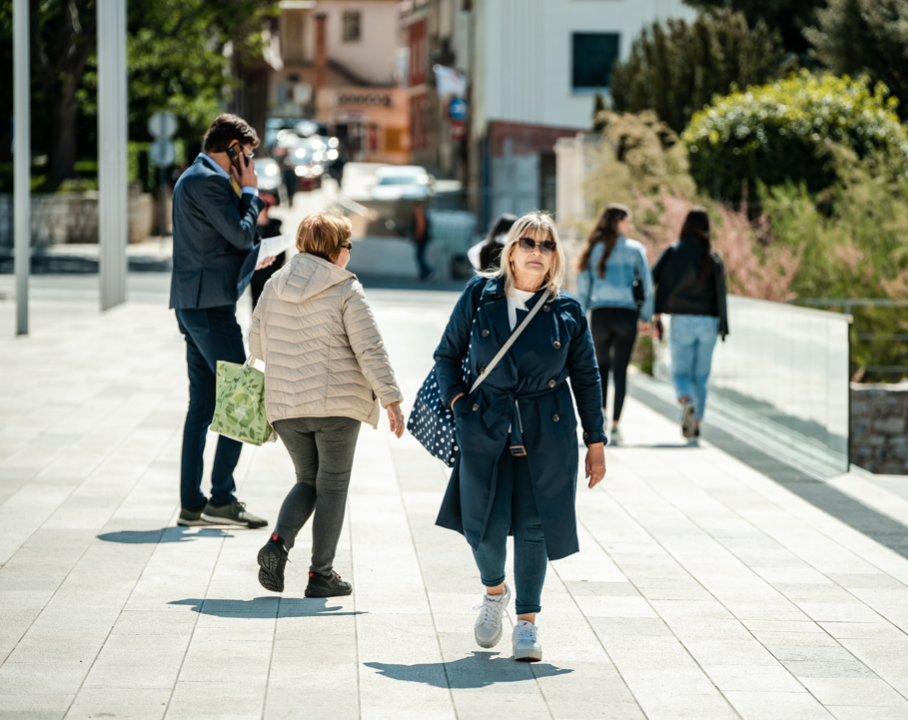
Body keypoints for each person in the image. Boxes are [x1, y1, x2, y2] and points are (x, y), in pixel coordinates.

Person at [433, 212, 607, 661]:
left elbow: (586, 378)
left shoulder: (566, 310)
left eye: (547, 246)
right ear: (510, 251)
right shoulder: (480, 294)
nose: (536, 252)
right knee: (484, 530)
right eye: (528, 243)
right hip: (485, 426)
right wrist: (458, 405)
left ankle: (527, 624)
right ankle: (495, 593)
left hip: (546, 433)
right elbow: (447, 355)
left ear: (555, 258)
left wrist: (596, 442)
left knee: (534, 530)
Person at [250, 211, 405, 598]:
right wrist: (392, 399)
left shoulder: (274, 284)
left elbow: (256, 344)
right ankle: (321, 575)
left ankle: (279, 542)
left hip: (286, 405)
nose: (350, 253)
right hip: (337, 405)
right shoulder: (345, 288)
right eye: (348, 246)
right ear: (336, 251)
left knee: (308, 480)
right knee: (332, 486)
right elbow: (369, 348)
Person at [169, 113, 276, 529]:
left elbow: (226, 243)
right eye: (245, 154)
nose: (248, 164)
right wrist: (251, 192)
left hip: (201, 304)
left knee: (203, 404)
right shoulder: (208, 181)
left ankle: (192, 502)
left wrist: (255, 253)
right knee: (244, 394)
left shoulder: (196, 178)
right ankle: (221, 498)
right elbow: (238, 233)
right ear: (230, 147)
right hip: (209, 308)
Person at [576, 203, 655, 445]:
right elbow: (648, 287)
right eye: (628, 221)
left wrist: (579, 321)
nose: (631, 226)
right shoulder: (635, 249)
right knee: (620, 371)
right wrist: (646, 317)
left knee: (600, 369)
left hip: (600, 315)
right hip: (626, 315)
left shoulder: (593, 249)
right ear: (617, 222)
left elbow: (583, 289)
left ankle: (601, 418)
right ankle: (616, 427)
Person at [651, 207, 730, 442]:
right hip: (709, 322)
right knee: (701, 376)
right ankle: (696, 426)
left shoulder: (673, 252)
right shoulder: (713, 257)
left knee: (680, 373)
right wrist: (724, 327)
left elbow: (651, 280)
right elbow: (722, 295)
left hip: (682, 320)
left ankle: (687, 401)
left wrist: (655, 316)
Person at [249, 190, 285, 312]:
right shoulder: (249, 228)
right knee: (256, 304)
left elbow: (282, 255)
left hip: (272, 273)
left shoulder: (274, 228)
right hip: (255, 274)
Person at [411, 201, 435, 281]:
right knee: (420, 256)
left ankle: (428, 272)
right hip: (423, 238)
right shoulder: (423, 212)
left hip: (422, 238)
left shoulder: (419, 212)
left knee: (419, 256)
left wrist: (417, 237)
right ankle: (423, 274)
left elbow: (421, 227)